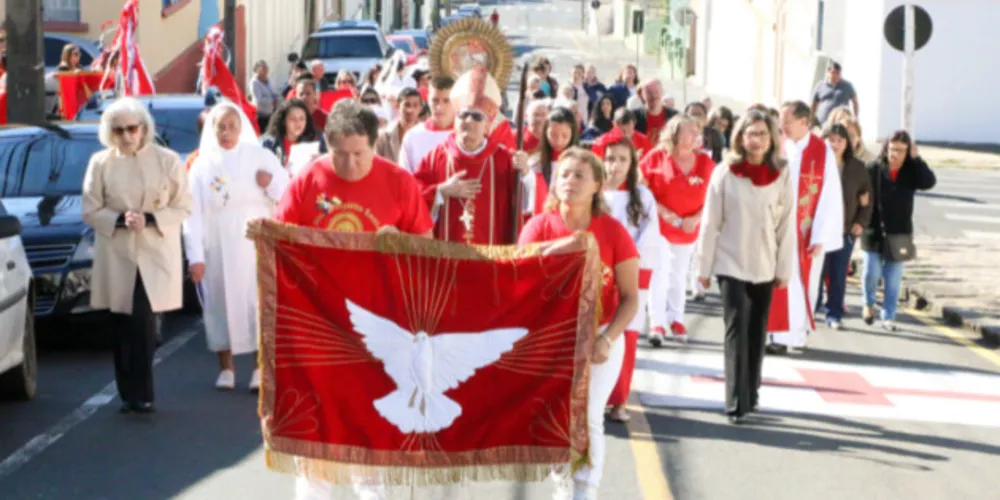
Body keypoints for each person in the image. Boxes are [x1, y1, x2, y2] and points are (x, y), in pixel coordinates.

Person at [518, 147, 638, 500]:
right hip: (551, 336)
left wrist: (608, 339)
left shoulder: (614, 232)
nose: (569, 182)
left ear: (598, 185)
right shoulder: (539, 226)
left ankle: (584, 491)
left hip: (598, 335)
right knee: (556, 418)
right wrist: (550, 254)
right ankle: (563, 487)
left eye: (579, 176)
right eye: (564, 174)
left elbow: (631, 297)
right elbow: (517, 279)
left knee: (588, 418)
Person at [81, 97, 192, 414]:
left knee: (143, 319)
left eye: (132, 128)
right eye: (119, 130)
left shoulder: (168, 160)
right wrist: (119, 219)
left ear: (144, 128)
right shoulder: (101, 163)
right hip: (117, 250)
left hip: (154, 248)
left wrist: (151, 219)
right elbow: (90, 208)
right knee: (119, 320)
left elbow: (183, 205)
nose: (127, 136)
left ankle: (143, 391)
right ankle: (127, 390)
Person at [697, 110, 795, 423]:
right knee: (735, 327)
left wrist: (784, 268)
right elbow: (711, 221)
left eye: (762, 134)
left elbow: (787, 223)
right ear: (741, 137)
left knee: (757, 329)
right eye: (751, 133)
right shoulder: (725, 172)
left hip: (764, 261)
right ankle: (735, 401)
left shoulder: (782, 173)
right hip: (730, 258)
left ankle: (751, 393)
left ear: (771, 139)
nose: (756, 140)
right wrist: (703, 264)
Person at [184, 102, 289, 391]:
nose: (226, 132)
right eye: (220, 127)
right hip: (217, 243)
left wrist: (269, 184)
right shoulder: (202, 166)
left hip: (255, 241)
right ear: (212, 130)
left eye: (232, 126)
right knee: (219, 302)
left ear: (241, 127)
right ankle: (226, 368)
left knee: (258, 303)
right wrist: (195, 256)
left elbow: (288, 194)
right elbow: (191, 214)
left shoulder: (260, 156)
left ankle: (259, 369)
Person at [413, 65, 532, 245]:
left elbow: (528, 207)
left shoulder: (505, 159)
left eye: (476, 117)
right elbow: (413, 199)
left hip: (491, 260)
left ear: (487, 125)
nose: (468, 121)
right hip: (447, 261)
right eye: (463, 115)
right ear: (455, 120)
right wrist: (440, 192)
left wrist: (526, 174)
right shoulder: (435, 158)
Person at [766, 100, 844, 354]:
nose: (782, 126)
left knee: (802, 285)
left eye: (786, 121)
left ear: (803, 122)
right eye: (780, 121)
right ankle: (775, 334)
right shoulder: (779, 147)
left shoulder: (822, 152)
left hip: (807, 231)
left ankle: (795, 334)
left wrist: (821, 234)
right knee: (776, 280)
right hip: (778, 226)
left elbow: (830, 196)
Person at [602, 138, 664, 423]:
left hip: (628, 275)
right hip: (598, 276)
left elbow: (649, 239)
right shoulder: (594, 194)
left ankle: (619, 401)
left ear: (631, 165)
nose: (615, 165)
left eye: (622, 160)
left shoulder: (642, 197)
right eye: (610, 158)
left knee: (625, 339)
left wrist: (629, 266)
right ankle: (594, 397)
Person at [640, 115, 714, 344]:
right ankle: (657, 323)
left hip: (689, 227)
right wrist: (662, 211)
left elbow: (715, 196)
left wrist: (697, 217)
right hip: (660, 225)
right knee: (660, 272)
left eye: (697, 131)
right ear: (675, 133)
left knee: (679, 273)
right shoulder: (656, 157)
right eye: (690, 130)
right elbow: (642, 189)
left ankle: (676, 318)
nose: (695, 135)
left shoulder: (705, 162)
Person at [861, 130, 935, 331]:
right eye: (892, 149)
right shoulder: (873, 168)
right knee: (871, 272)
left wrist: (917, 158)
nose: (895, 154)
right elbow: (861, 191)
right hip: (873, 231)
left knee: (893, 279)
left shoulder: (912, 172)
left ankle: (889, 316)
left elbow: (929, 182)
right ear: (886, 148)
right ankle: (868, 304)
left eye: (901, 151)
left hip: (900, 233)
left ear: (907, 152)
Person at [819, 123, 872, 330]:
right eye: (830, 139)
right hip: (820, 229)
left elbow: (867, 198)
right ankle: (812, 309)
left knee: (838, 273)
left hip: (845, 230)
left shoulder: (857, 168)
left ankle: (834, 313)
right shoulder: (817, 163)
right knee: (817, 272)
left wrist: (861, 222)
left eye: (840, 140)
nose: (835, 144)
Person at [398, 75, 456, 173]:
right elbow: (405, 179)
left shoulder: (466, 136)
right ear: (428, 100)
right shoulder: (412, 136)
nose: (439, 107)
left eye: (446, 101)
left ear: (456, 101)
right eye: (435, 100)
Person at [260, 99, 327, 169]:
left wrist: (321, 159)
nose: (298, 123)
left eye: (302, 119)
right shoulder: (268, 143)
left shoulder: (317, 139)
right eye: (292, 119)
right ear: (283, 121)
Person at [374, 87, 423, 162]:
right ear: (397, 106)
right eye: (406, 105)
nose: (410, 110)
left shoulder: (425, 134)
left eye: (415, 105)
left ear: (420, 109)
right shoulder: (383, 136)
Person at [811, 61, 858, 126]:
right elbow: (813, 104)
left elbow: (855, 102)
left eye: (837, 73)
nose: (835, 75)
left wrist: (855, 117)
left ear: (840, 74)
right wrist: (811, 119)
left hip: (840, 123)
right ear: (828, 72)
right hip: (822, 122)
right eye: (833, 72)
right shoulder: (820, 86)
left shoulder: (847, 86)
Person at [249, 60, 281, 133]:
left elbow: (274, 92)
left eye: (266, 67)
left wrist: (277, 98)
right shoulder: (254, 82)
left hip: (271, 113)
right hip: (261, 115)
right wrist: (272, 100)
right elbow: (259, 100)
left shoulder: (269, 79)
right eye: (263, 67)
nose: (266, 69)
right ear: (257, 70)